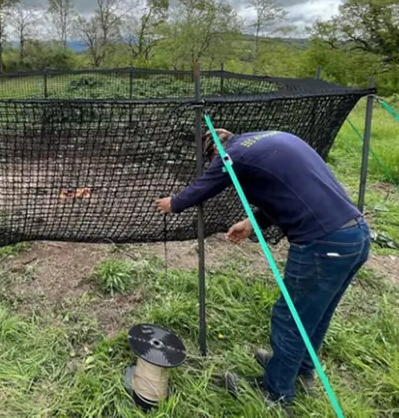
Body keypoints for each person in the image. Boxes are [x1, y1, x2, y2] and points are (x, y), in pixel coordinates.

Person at [155, 129, 370, 412]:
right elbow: (287, 190)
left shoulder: (231, 154)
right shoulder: (269, 140)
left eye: (212, 159)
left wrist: (174, 203)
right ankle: (299, 371)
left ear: (215, 150)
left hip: (322, 244)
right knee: (315, 314)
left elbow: (205, 185)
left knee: (290, 318)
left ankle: (276, 395)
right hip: (355, 236)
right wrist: (251, 222)